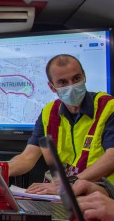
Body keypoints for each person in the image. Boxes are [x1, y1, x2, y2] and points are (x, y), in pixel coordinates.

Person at [8, 54, 114, 195]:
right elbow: (28, 157)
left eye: (76, 78)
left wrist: (69, 182)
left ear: (84, 77)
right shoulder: (49, 112)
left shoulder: (108, 106)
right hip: (62, 194)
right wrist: (0, 169)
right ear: (52, 87)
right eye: (63, 82)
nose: (72, 86)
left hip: (100, 194)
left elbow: (112, 157)